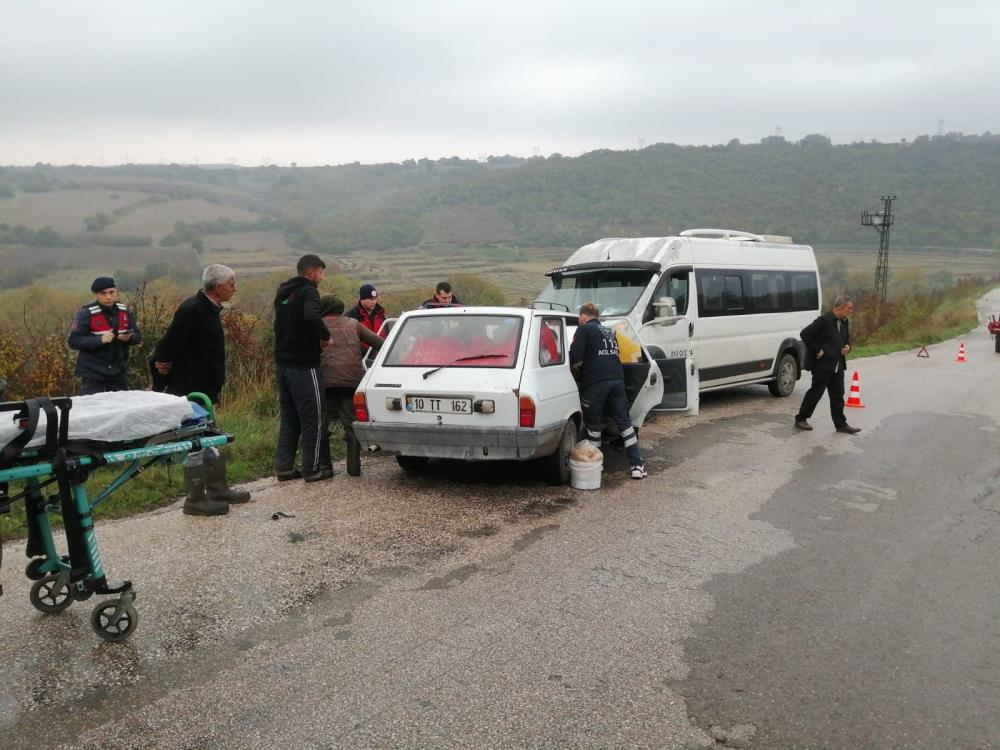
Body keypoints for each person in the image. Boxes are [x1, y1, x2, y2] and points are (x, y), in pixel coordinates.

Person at [151, 264, 250, 515]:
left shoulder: (210, 309)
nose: (234, 289)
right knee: (195, 439)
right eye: (231, 285)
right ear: (218, 287)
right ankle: (195, 499)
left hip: (206, 387)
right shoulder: (192, 309)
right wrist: (163, 363)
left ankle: (217, 489)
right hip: (190, 388)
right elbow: (169, 343)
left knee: (210, 436)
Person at [569, 302, 647, 479]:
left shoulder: (584, 330)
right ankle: (637, 465)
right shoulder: (610, 332)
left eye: (580, 318)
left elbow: (574, 356)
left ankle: (596, 465)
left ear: (583, 317)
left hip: (596, 382)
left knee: (593, 426)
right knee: (625, 424)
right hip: (617, 381)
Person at [273, 254, 332, 482]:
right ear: (312, 271)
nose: (322, 277)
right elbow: (311, 316)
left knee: (290, 416)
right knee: (313, 417)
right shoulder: (309, 291)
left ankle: (284, 466)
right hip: (305, 364)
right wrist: (325, 336)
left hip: (283, 363)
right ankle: (312, 469)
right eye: (321, 272)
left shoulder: (284, 293)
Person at [317, 295, 384, 477]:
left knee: (321, 426)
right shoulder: (354, 324)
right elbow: (380, 343)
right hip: (352, 381)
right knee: (351, 425)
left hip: (325, 382)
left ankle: (325, 467)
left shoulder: (317, 326)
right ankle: (353, 467)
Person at [794, 295, 861, 434]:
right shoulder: (824, 321)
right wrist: (817, 349)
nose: (851, 311)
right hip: (822, 366)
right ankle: (801, 419)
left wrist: (848, 347)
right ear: (840, 307)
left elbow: (846, 340)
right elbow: (805, 334)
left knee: (838, 395)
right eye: (849, 308)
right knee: (816, 393)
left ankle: (841, 425)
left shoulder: (844, 322)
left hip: (838, 365)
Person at [68, 276, 142, 395]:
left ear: (116, 292)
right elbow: (73, 341)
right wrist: (100, 340)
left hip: (119, 373)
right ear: (96, 295)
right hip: (93, 374)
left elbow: (137, 336)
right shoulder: (86, 314)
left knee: (121, 405)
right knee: (93, 405)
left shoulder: (124, 311)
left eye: (111, 292)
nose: (108, 297)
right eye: (103, 293)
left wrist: (130, 338)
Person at [345, 284, 387, 353]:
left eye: (375, 299)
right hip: (361, 356)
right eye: (371, 299)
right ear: (362, 299)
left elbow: (387, 333)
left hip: (381, 354)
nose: (374, 302)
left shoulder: (380, 314)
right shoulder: (351, 316)